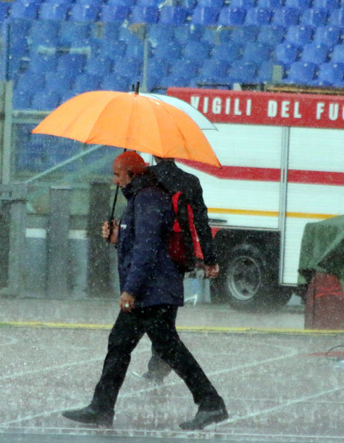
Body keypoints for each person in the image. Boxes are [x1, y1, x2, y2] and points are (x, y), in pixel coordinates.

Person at [62, 151, 228, 431]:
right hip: (152, 290)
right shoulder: (141, 197)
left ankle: (211, 403)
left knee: (166, 348)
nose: (115, 181)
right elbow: (140, 241)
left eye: (117, 175)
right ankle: (102, 407)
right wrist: (118, 237)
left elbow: (147, 249)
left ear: (132, 174)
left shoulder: (149, 197)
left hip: (152, 290)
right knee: (121, 343)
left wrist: (130, 290)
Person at [142, 156, 219, 383]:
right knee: (166, 312)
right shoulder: (190, 181)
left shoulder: (146, 178)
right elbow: (201, 223)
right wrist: (209, 258)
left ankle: (160, 364)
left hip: (150, 254)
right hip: (176, 256)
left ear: (155, 153)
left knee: (149, 314)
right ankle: (159, 364)